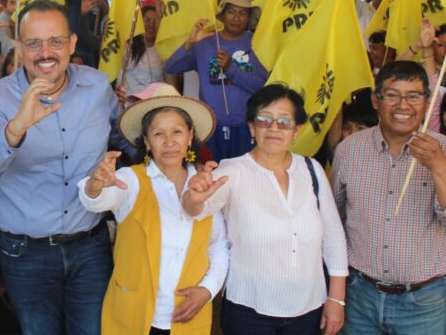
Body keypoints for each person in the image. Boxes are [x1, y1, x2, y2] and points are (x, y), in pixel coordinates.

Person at [0, 0, 127, 335]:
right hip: (26, 251)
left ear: (72, 44)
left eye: (56, 41)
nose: (46, 53)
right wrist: (17, 128)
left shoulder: (98, 86)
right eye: (34, 43)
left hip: (90, 246)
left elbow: (121, 134)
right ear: (18, 48)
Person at [184, 84, 347, 335]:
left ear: (296, 131)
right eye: (264, 120)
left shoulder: (312, 170)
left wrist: (336, 300)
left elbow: (333, 237)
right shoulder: (231, 172)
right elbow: (196, 211)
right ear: (251, 127)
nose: (274, 128)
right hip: (249, 308)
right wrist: (193, 196)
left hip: (308, 307)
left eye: (284, 122)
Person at [79, 83, 228, 335]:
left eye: (177, 132)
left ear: (190, 136)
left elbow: (218, 246)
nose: (169, 142)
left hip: (187, 317)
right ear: (147, 141)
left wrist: (208, 290)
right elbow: (98, 199)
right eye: (159, 134)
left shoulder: (205, 183)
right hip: (135, 316)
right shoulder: (132, 179)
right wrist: (94, 185)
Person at [331, 60, 446, 333]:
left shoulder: (442, 149)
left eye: (414, 96)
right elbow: (335, 220)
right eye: (392, 95)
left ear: (427, 101)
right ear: (375, 100)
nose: (403, 106)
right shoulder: (348, 150)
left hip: (425, 300)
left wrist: (439, 166)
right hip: (360, 293)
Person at [164, 0, 269, 161]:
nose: (236, 18)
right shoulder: (205, 42)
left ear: (249, 17)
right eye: (231, 12)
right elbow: (171, 67)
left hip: (245, 127)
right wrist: (189, 43)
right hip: (209, 127)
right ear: (222, 15)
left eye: (242, 13)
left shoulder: (257, 43)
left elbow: (261, 87)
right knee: (209, 177)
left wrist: (231, 69)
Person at [119, 5, 165, 95]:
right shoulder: (125, 47)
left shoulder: (164, 51)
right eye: (146, 20)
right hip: (128, 105)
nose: (151, 25)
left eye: (155, 21)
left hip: (155, 105)